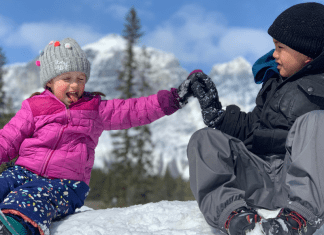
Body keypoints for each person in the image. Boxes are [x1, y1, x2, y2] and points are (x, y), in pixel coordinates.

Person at [0, 37, 197, 235]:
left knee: (28, 199)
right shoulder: (34, 107)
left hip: (64, 183)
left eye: (80, 79)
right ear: (50, 81)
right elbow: (7, 139)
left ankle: (13, 229)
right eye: (67, 79)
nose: (75, 85)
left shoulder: (94, 110)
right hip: (24, 172)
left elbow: (134, 110)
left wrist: (174, 98)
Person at [186, 2, 324, 235]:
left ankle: (300, 218)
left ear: (307, 54)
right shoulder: (275, 83)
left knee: (316, 122)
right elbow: (254, 130)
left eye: (280, 48)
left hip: (302, 184)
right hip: (260, 177)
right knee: (204, 140)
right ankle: (234, 216)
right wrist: (218, 116)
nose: (274, 55)